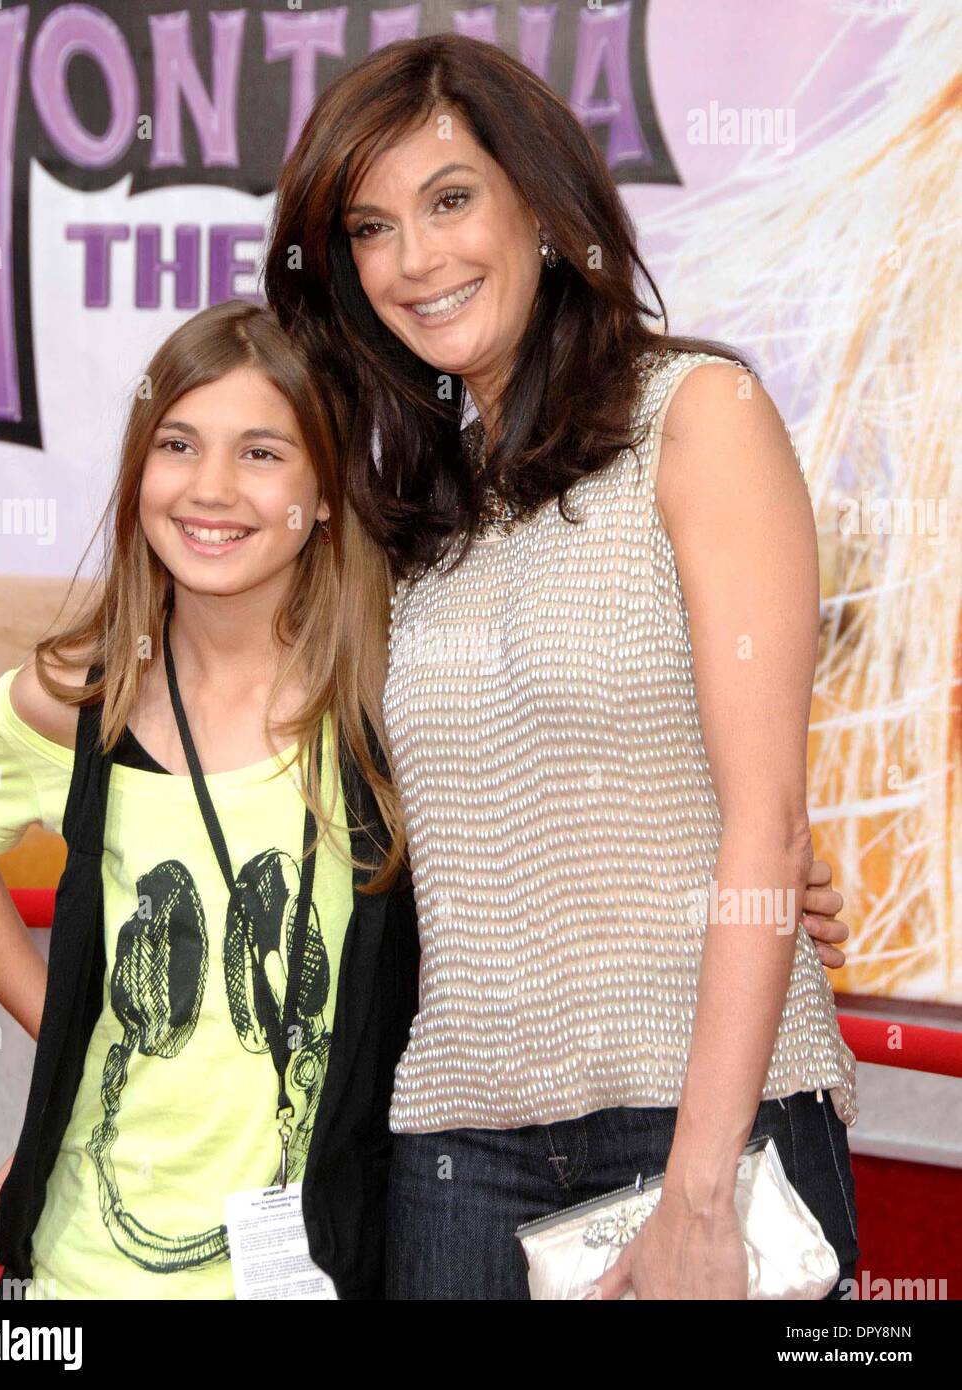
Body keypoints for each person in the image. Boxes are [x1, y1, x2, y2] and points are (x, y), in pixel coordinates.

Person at [264, 33, 860, 1300]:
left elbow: (763, 820)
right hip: (453, 1154)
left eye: (449, 199)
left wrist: (701, 1189)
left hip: (698, 1131)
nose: (413, 259)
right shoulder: (414, 509)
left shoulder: (695, 416)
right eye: (369, 227)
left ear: (538, 203)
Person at [0, 300, 419, 1300]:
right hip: (84, 1273)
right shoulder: (80, 698)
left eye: (260, 453)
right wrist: (61, 1020)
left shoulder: (387, 706)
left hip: (313, 1263)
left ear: (325, 490)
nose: (210, 489)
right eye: (178, 444)